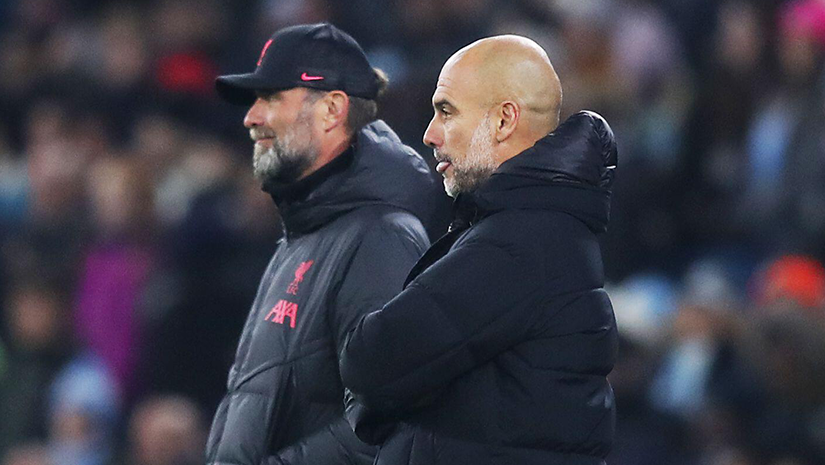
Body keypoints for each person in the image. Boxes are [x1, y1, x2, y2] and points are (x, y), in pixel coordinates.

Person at [339, 35, 619, 465]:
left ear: (505, 120)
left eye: (446, 110)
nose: (429, 134)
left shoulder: (522, 242)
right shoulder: (535, 229)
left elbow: (370, 363)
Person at [204, 23, 446, 465]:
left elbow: (388, 425)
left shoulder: (382, 238)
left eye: (271, 97)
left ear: (332, 108)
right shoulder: (303, 236)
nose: (251, 117)